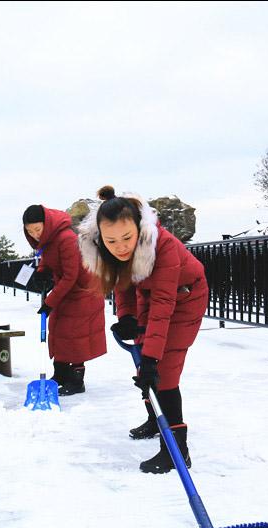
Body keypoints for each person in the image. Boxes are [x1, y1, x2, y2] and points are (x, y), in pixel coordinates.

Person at [78, 186, 208, 473]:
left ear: (139, 228)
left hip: (184, 298)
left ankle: (176, 452)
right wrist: (126, 317)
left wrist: (152, 358)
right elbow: (123, 283)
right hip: (150, 297)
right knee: (146, 368)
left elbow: (164, 304)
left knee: (164, 372)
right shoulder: (109, 248)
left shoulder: (164, 248)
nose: (121, 246)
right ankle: (155, 419)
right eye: (112, 241)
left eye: (127, 238)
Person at [23, 204, 106, 395]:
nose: (35, 234)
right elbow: (49, 258)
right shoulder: (48, 239)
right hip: (68, 289)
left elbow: (71, 276)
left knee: (75, 334)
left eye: (37, 229)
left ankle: (77, 381)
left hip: (83, 291)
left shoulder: (66, 239)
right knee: (58, 328)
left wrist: (49, 303)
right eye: (30, 231)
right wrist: (42, 272)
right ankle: (60, 374)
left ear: (47, 223)